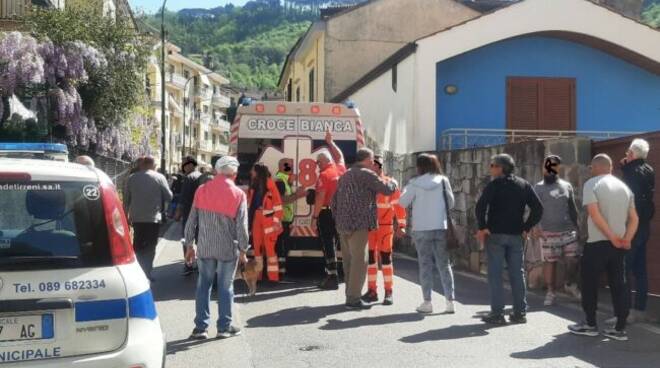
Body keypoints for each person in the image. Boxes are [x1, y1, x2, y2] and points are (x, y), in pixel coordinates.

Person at [569, 154, 638, 341]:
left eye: (591, 167)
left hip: (598, 243)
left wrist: (611, 237)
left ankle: (590, 324)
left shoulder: (592, 184)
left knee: (589, 283)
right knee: (620, 284)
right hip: (620, 245)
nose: (590, 170)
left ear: (596, 167)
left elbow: (594, 214)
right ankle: (619, 329)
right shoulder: (625, 187)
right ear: (610, 167)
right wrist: (627, 239)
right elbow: (634, 218)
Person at [185, 156, 248, 340]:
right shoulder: (238, 194)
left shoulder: (202, 190)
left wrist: (190, 244)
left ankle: (200, 328)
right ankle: (224, 327)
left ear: (216, 171)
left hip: (205, 246)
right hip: (227, 248)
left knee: (203, 285)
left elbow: (191, 220)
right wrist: (244, 249)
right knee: (225, 286)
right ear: (234, 174)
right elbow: (242, 227)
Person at [476, 153, 543, 325]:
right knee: (517, 273)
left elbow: (481, 206)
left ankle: (497, 314)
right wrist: (526, 227)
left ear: (500, 168)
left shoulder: (494, 185)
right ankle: (520, 312)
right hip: (516, 235)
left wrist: (483, 227)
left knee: (495, 274)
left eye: (492, 165)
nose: (490, 168)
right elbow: (538, 208)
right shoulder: (523, 184)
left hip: (496, 235)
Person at [332, 148, 397, 310]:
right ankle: (353, 299)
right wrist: (394, 182)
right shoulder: (367, 174)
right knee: (360, 261)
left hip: (342, 224)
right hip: (359, 224)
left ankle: (349, 293)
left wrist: (338, 218)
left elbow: (334, 200)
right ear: (367, 160)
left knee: (348, 261)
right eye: (372, 160)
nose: (373, 163)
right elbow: (387, 189)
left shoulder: (345, 175)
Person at [399, 153, 455, 314]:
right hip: (440, 227)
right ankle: (450, 302)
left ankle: (427, 302)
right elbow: (451, 203)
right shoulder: (444, 181)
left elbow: (403, 202)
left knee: (425, 265)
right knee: (444, 265)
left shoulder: (415, 183)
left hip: (421, 229)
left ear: (419, 166)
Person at [532, 155, 580, 306]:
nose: (548, 169)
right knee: (550, 262)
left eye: (552, 166)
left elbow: (572, 208)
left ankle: (570, 284)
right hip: (547, 232)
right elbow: (534, 210)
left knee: (573, 260)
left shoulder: (567, 186)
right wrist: (535, 226)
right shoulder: (538, 188)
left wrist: (578, 227)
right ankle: (550, 292)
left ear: (558, 168)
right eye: (546, 165)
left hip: (568, 231)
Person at [616, 139, 654, 323]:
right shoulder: (649, 170)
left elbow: (629, 199)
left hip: (632, 225)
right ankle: (639, 309)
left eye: (628, 152)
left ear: (631, 154)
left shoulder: (632, 172)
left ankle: (624, 312)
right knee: (640, 270)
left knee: (624, 267)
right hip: (645, 225)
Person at [361, 154, 407, 306]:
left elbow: (398, 206)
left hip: (385, 228)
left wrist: (401, 225)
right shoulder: (366, 184)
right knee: (371, 261)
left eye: (374, 165)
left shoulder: (390, 184)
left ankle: (389, 292)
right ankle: (372, 291)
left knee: (386, 260)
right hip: (369, 228)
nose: (372, 167)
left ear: (379, 166)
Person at [125, 156, 173, 280]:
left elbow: (126, 199)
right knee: (151, 246)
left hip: (136, 217)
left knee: (137, 244)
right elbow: (169, 196)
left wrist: (126, 215)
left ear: (142, 164)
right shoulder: (159, 177)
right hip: (153, 218)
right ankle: (147, 271)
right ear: (153, 165)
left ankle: (137, 271)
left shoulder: (131, 178)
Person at [312, 131, 347, 290]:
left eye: (318, 163)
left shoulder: (324, 175)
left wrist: (314, 217)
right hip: (342, 212)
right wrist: (331, 142)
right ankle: (344, 273)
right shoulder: (340, 168)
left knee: (328, 244)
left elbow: (320, 197)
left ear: (324, 161)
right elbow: (339, 156)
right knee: (342, 242)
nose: (317, 165)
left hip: (327, 213)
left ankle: (332, 276)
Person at [248, 163, 284, 282]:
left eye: (253, 170)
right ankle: (258, 276)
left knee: (270, 250)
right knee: (257, 249)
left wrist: (275, 222)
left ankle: (273, 278)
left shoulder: (269, 184)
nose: (251, 172)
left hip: (268, 220)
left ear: (257, 172)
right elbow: (250, 204)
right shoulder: (253, 185)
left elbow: (278, 205)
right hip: (257, 219)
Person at [274, 158, 306, 279]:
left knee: (283, 246)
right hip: (281, 220)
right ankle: (280, 272)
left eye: (291, 166)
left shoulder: (285, 181)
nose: (291, 168)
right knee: (281, 247)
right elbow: (282, 200)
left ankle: (281, 271)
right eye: (289, 166)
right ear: (282, 166)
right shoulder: (280, 181)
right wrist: (298, 195)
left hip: (285, 219)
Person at [176, 156, 202, 276]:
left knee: (187, 240)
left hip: (189, 213)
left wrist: (177, 213)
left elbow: (183, 199)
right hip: (203, 214)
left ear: (189, 165)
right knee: (200, 240)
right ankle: (201, 265)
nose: (183, 168)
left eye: (184, 165)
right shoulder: (202, 177)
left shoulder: (189, 178)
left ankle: (188, 265)